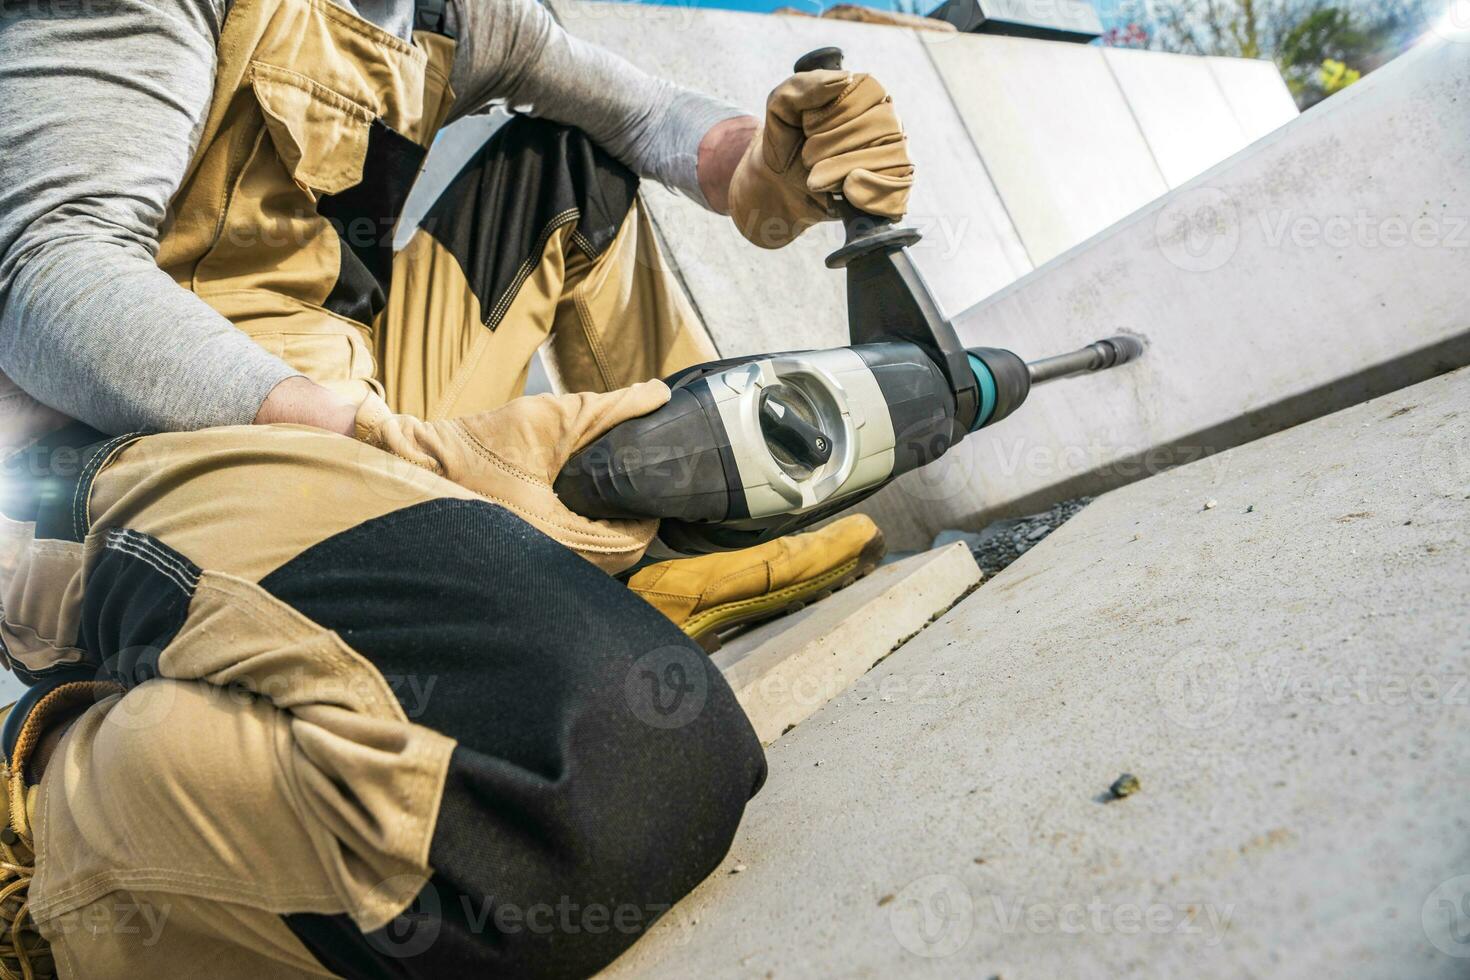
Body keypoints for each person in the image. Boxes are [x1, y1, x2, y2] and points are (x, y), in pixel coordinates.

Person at [0, 0, 914, 973]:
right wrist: (372, 439)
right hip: (134, 442)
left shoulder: (451, 16)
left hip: (346, 386)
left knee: (572, 163)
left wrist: (761, 168)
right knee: (613, 780)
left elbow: (639, 114)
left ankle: (673, 550)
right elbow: (51, 267)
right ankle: (60, 826)